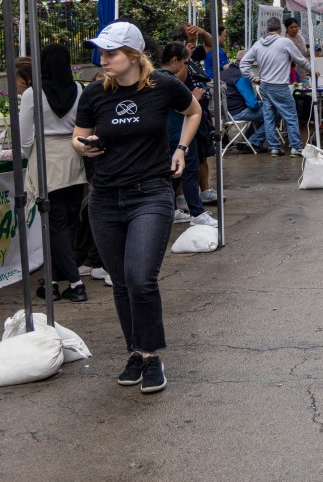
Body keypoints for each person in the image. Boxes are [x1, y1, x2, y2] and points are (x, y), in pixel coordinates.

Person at [73, 21, 202, 394]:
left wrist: (181, 149)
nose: (103, 59)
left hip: (151, 193)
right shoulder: (95, 92)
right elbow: (77, 137)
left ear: (133, 55)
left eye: (110, 53)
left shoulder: (162, 85)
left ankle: (152, 354)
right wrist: (83, 146)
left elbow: (192, 112)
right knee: (121, 283)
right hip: (105, 198)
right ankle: (136, 352)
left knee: (141, 278)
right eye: (102, 52)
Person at [0, 47, 88, 303]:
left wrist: (5, 155)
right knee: (69, 221)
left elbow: (25, 138)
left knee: (54, 224)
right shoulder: (80, 90)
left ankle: (75, 283)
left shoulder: (33, 93)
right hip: (75, 158)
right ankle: (52, 280)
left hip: (46, 159)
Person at [159, 42, 217, 227]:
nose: (186, 68)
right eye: (185, 63)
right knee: (189, 172)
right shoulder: (171, 82)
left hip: (166, 135)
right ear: (175, 60)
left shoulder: (155, 78)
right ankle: (197, 213)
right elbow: (185, 108)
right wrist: (194, 99)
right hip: (179, 134)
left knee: (174, 175)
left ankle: (173, 210)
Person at [239, 16, 312, 157]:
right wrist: (311, 70)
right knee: (290, 116)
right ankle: (296, 147)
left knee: (269, 117)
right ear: (280, 29)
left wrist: (254, 78)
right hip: (280, 86)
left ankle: (274, 147)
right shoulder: (284, 42)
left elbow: (243, 64)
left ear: (267, 29)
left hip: (265, 86)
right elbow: (300, 59)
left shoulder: (258, 44)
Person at [221, 50, 266, 152]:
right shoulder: (241, 76)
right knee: (275, 112)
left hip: (224, 112)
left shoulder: (224, 73)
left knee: (263, 112)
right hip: (237, 113)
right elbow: (252, 104)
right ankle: (254, 142)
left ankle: (245, 141)